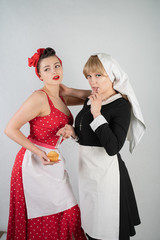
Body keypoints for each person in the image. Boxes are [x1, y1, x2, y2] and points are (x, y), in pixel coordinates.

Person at [57, 53, 146, 240]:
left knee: (109, 231)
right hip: (88, 175)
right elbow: (88, 138)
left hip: (109, 179)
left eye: (98, 75)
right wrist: (74, 133)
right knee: (91, 230)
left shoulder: (121, 106)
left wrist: (97, 114)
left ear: (112, 75)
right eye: (89, 76)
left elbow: (112, 147)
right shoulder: (91, 99)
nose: (92, 81)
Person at [4, 47, 90, 240]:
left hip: (53, 160)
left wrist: (69, 90)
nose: (54, 71)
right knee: (43, 214)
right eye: (47, 69)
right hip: (32, 162)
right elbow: (10, 129)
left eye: (57, 66)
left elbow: (93, 97)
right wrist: (37, 152)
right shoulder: (38, 98)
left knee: (69, 214)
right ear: (40, 75)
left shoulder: (62, 97)